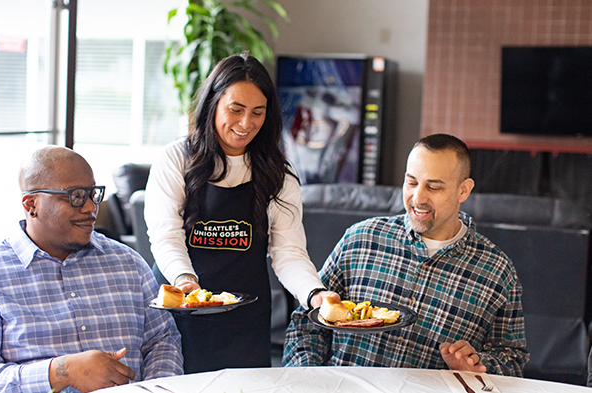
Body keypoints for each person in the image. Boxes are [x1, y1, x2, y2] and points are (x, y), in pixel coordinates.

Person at [144, 52, 337, 373]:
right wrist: (186, 281)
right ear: (213, 104)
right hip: (180, 309)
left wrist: (314, 294)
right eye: (236, 110)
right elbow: (165, 236)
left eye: (257, 112)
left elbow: (288, 251)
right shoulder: (176, 158)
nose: (246, 123)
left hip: (244, 321)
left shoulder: (278, 173)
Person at [0, 146, 183, 393]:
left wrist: (156, 388)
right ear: (31, 204)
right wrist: (62, 371)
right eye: (76, 196)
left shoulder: (129, 264)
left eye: (93, 194)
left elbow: (162, 340)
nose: (90, 207)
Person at [283, 133, 530, 376]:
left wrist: (477, 365)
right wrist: (307, 379)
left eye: (433, 187)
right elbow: (306, 323)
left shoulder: (497, 271)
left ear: (463, 191)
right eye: (411, 183)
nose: (418, 198)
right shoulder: (360, 239)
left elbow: (512, 359)